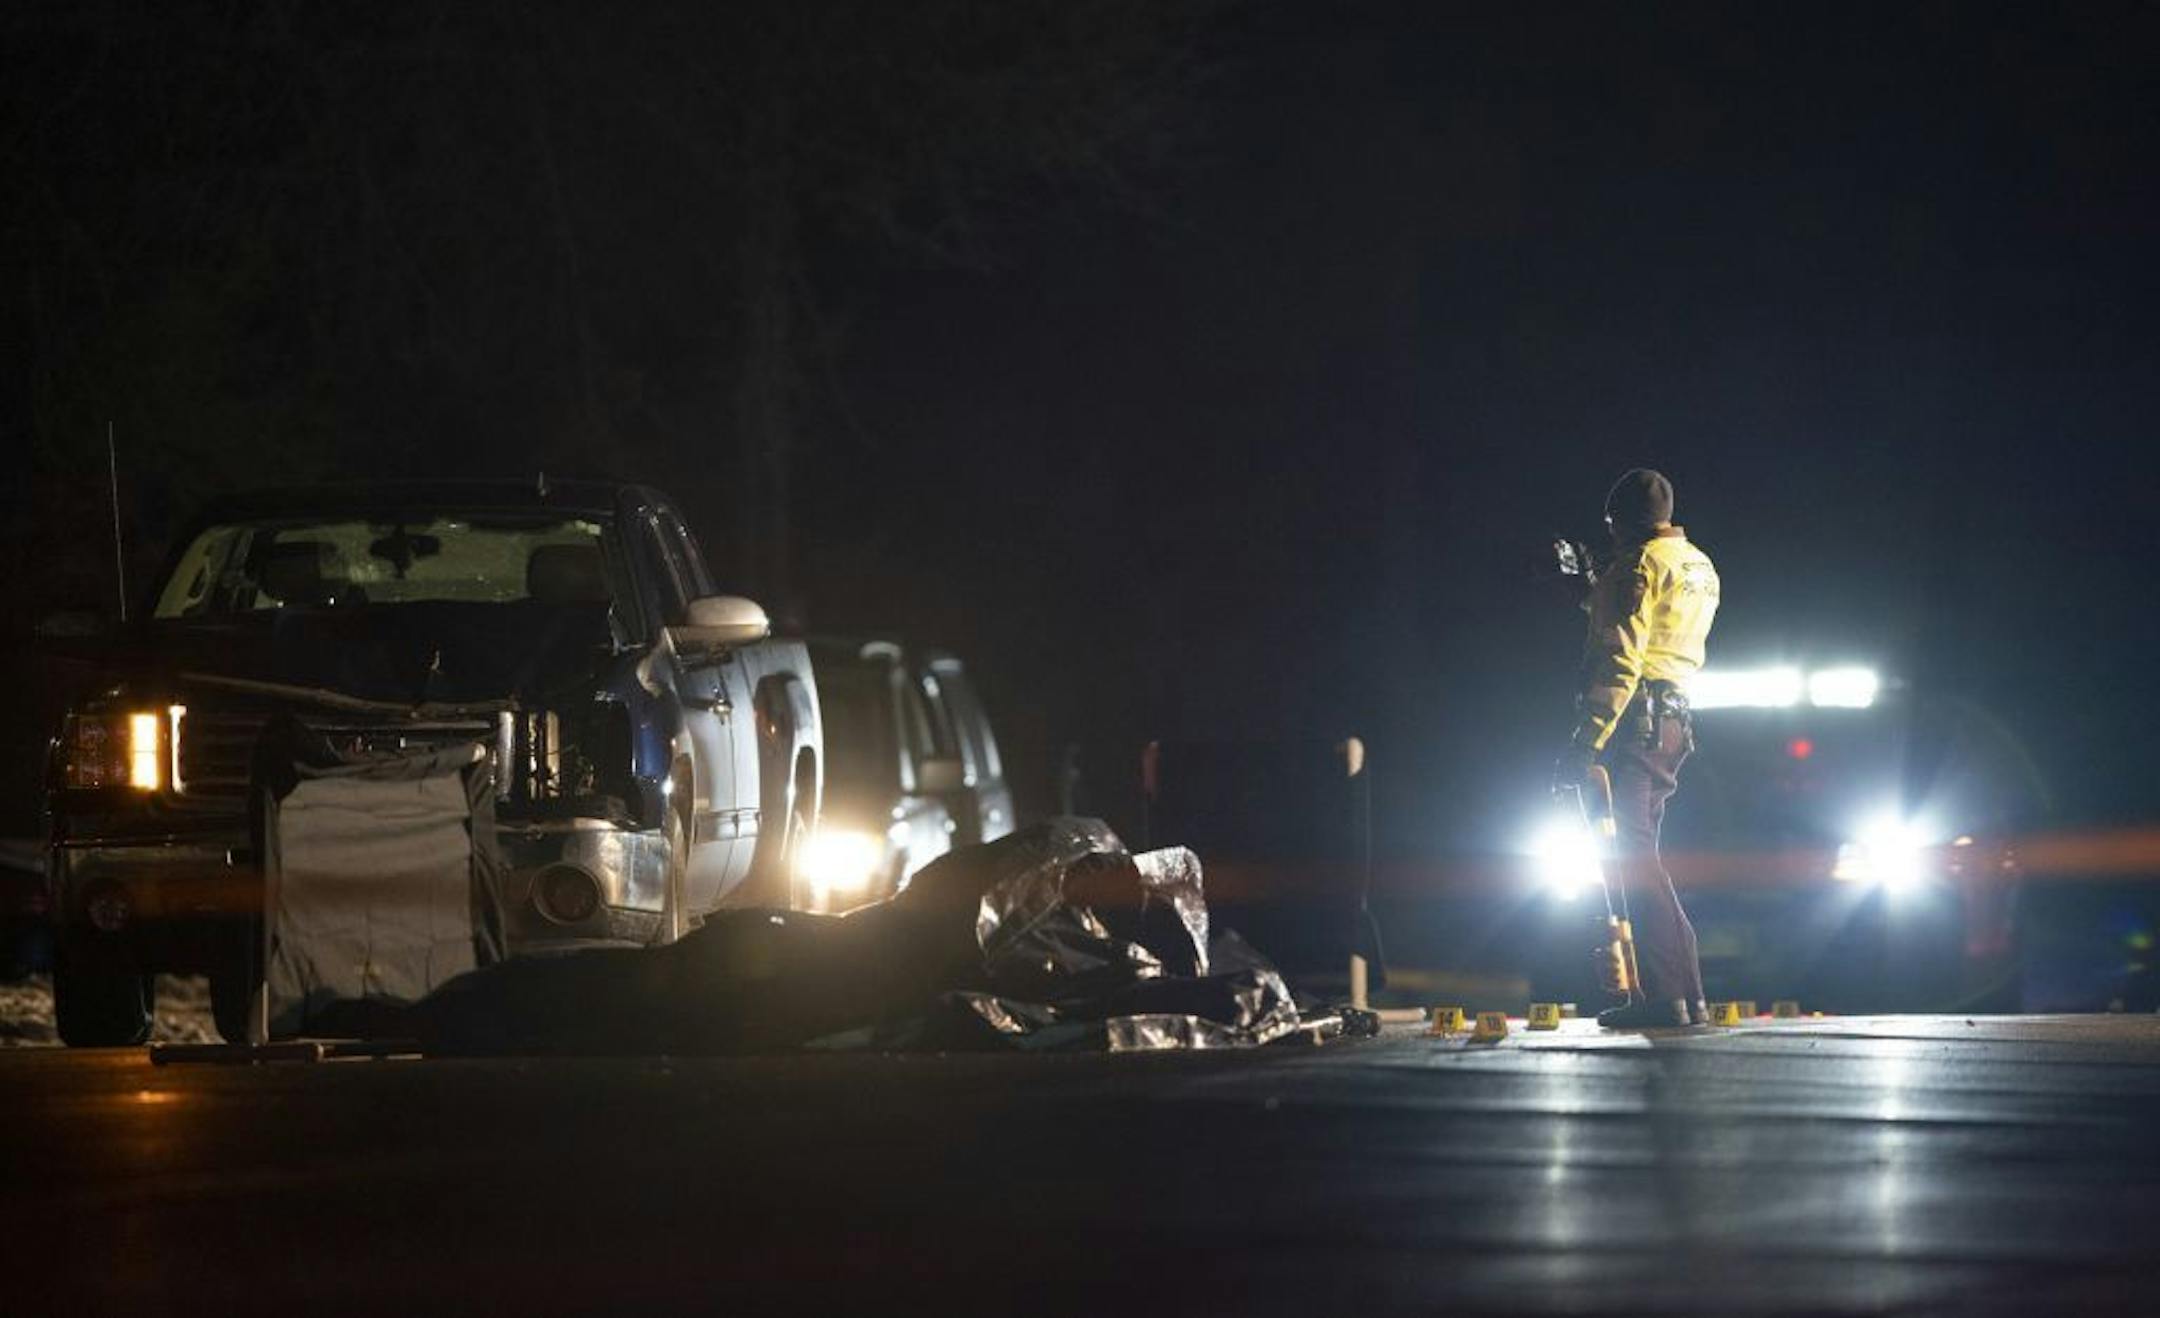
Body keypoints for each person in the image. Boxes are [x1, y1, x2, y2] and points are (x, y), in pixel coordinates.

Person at [1552, 469, 1721, 1028]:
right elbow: (1659, 631)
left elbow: (1622, 658)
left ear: (1620, 520)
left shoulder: (1636, 567)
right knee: (1642, 854)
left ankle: (1666, 997)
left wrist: (1586, 741)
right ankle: (1686, 995)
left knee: (1632, 855)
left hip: (1637, 722)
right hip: (1675, 722)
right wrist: (1596, 593)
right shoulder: (1699, 563)